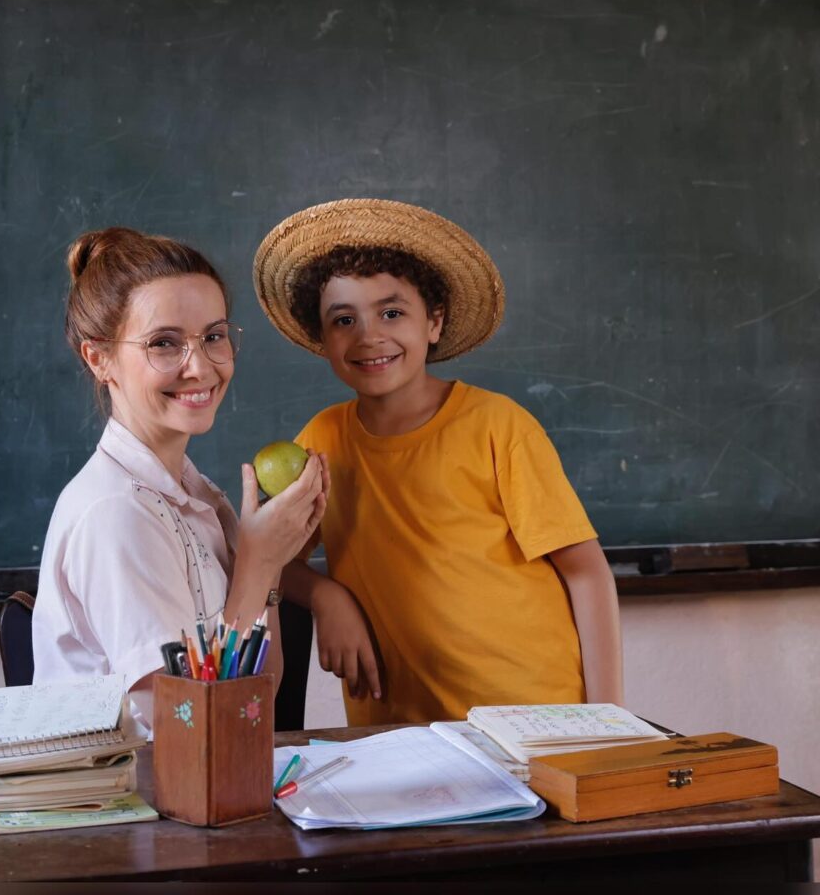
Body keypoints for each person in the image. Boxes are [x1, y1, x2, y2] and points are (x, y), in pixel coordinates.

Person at [253, 198, 623, 726]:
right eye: (343, 320)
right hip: (400, 734)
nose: (368, 336)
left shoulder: (499, 425)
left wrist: (609, 723)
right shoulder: (321, 441)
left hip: (533, 722)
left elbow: (586, 574)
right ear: (324, 340)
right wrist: (325, 597)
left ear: (435, 323)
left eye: (392, 312)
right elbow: (269, 556)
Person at [32, 227, 325, 725]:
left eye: (213, 337)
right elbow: (200, 726)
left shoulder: (194, 494)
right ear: (99, 358)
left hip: (202, 791)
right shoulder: (117, 514)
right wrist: (255, 564)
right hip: (137, 797)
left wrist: (272, 564)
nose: (200, 367)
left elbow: (262, 698)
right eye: (164, 343)